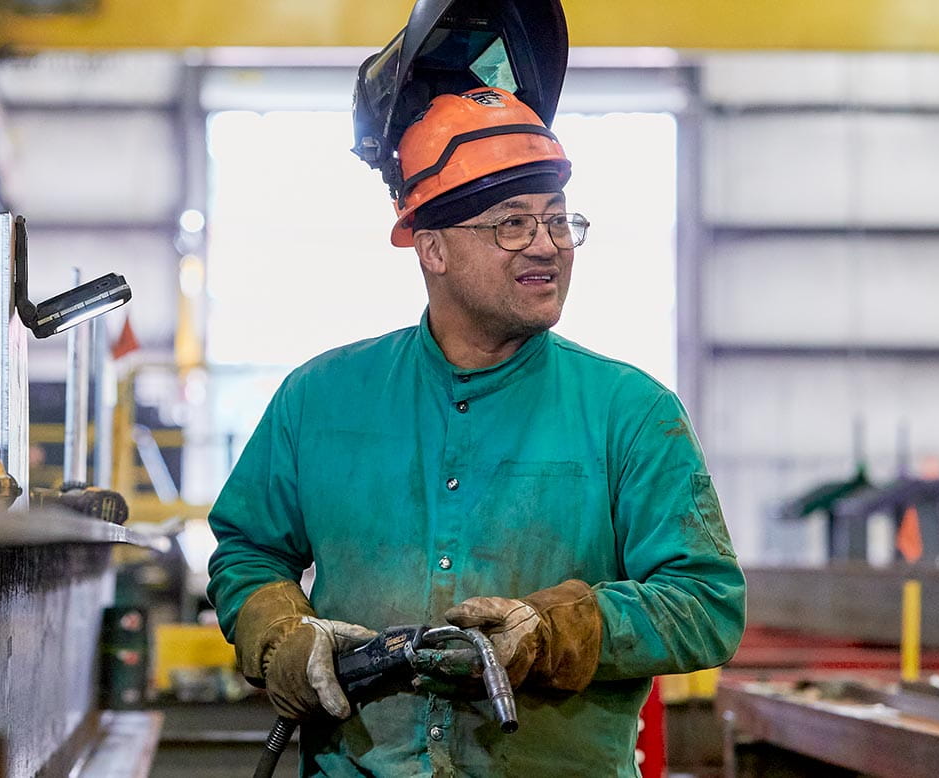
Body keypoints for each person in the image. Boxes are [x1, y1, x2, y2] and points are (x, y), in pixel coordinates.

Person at [207, 86, 746, 776]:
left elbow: (706, 603)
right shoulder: (319, 400)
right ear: (432, 248)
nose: (547, 245)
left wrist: (550, 631)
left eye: (558, 221)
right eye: (512, 225)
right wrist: (282, 634)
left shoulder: (632, 411)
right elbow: (248, 551)